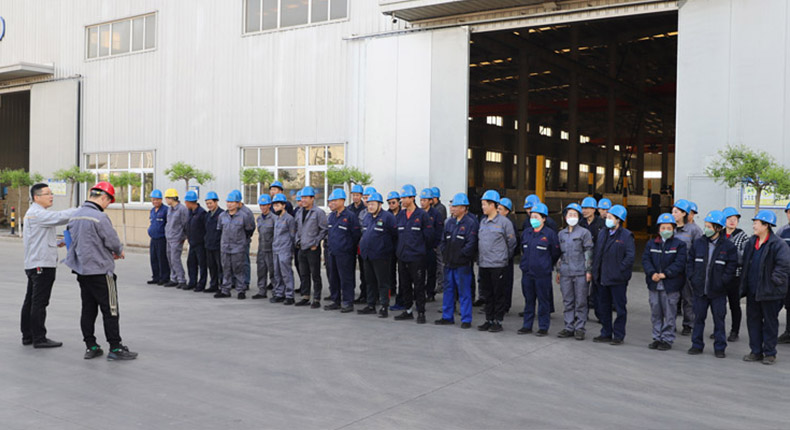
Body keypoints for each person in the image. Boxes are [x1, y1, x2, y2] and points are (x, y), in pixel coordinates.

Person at [64, 182, 137, 360]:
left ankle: (91, 346)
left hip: (82, 271)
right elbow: (111, 240)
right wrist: (119, 251)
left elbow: (70, 240)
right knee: (110, 310)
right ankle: (115, 348)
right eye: (108, 201)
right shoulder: (99, 217)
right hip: (101, 272)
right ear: (103, 197)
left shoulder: (75, 216)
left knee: (88, 310)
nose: (108, 205)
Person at [20, 183, 77, 348]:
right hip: (41, 264)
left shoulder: (35, 213)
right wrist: (83, 209)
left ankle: (28, 336)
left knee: (31, 300)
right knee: (39, 302)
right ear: (36, 197)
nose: (51, 196)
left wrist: (57, 242)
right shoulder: (38, 213)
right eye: (47, 194)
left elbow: (38, 238)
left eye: (51, 193)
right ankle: (39, 338)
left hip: (35, 262)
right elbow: (60, 216)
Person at [741, 210, 790, 365]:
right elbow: (745, 262)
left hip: (770, 292)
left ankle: (769, 353)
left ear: (766, 225)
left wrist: (773, 282)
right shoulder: (751, 243)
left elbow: (783, 266)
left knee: (770, 323)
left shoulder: (778, 244)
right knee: (753, 321)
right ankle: (755, 351)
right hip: (753, 291)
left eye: (756, 223)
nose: (754, 226)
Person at [687, 210, 738, 358]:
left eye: (709, 226)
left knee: (719, 320)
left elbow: (731, 267)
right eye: (706, 226)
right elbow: (690, 263)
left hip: (718, 292)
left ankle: (720, 347)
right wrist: (693, 278)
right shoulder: (698, 243)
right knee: (698, 319)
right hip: (700, 290)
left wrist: (722, 282)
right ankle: (696, 345)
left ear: (718, 228)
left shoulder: (728, 247)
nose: (706, 229)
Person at [642, 213, 687, 351]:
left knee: (669, 314)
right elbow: (646, 260)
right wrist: (652, 273)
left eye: (669, 228)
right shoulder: (651, 244)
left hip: (670, 285)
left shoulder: (679, 245)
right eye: (663, 228)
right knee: (655, 313)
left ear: (673, 229)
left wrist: (665, 274)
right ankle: (657, 337)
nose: (666, 230)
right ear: (658, 229)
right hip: (654, 284)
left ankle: (667, 339)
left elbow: (679, 263)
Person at [591, 205, 635, 345]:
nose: (607, 219)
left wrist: (619, 270)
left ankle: (619, 335)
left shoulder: (626, 235)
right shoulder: (603, 233)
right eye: (607, 217)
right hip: (602, 277)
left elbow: (630, 257)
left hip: (618, 279)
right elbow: (597, 253)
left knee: (620, 308)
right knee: (604, 307)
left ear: (618, 219)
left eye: (610, 217)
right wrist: (595, 271)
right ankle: (606, 332)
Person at [435, 193, 478, 329]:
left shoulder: (470, 224)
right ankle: (447, 316)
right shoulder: (449, 223)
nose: (452, 209)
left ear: (464, 208)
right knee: (448, 290)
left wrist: (461, 256)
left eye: (455, 206)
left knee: (464, 292)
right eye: (452, 206)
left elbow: (471, 244)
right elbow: (443, 241)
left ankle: (466, 319)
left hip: (462, 265)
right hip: (449, 263)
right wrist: (446, 254)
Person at [477, 190, 517, 333]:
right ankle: (488, 319)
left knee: (498, 294)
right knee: (487, 294)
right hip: (484, 264)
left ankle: (498, 321)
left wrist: (503, 257)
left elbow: (511, 242)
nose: (482, 207)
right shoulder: (483, 222)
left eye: (484, 204)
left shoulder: (504, 223)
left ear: (492, 205)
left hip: (498, 265)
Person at [393, 184, 434, 324]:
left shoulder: (422, 215)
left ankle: (421, 312)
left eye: (405, 198)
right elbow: (396, 236)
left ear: (412, 198)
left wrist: (420, 250)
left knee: (419, 286)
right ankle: (408, 310)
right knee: (404, 285)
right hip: (402, 256)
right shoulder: (401, 215)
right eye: (401, 198)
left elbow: (429, 237)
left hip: (417, 258)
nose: (402, 200)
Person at [518, 202, 559, 335]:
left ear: (544, 218)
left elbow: (555, 253)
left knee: (543, 301)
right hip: (527, 272)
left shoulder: (550, 234)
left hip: (542, 274)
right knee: (528, 300)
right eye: (532, 217)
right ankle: (527, 325)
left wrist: (546, 264)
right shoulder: (526, 233)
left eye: (536, 217)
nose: (533, 219)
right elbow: (522, 249)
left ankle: (543, 326)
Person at [556, 203, 593, 340]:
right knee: (567, 301)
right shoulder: (561, 234)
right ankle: (568, 327)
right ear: (565, 217)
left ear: (578, 217)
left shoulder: (584, 233)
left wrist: (588, 271)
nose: (572, 216)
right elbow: (560, 254)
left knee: (581, 301)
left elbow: (588, 252)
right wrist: (558, 271)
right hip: (565, 272)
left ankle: (580, 328)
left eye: (575, 214)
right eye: (569, 214)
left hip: (580, 272)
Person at [358, 192, 398, 317]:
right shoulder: (367, 217)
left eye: (373, 204)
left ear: (380, 204)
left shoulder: (387, 217)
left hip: (381, 256)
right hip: (367, 255)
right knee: (369, 281)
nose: (370, 207)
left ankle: (384, 306)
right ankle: (371, 305)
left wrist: (386, 248)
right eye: (369, 204)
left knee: (383, 282)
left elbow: (395, 235)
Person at [325, 189, 361, 313]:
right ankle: (335, 300)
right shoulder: (331, 216)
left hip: (345, 253)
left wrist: (348, 248)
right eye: (330, 201)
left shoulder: (350, 216)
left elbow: (356, 235)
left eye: (334, 201)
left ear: (342, 201)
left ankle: (347, 302)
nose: (331, 203)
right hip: (333, 252)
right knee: (333, 277)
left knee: (346, 278)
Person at [215, 190, 255, 299]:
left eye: (232, 202)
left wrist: (242, 242)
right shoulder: (222, 216)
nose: (229, 204)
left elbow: (249, 230)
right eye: (228, 202)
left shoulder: (244, 216)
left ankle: (241, 290)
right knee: (226, 269)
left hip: (238, 248)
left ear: (238, 203)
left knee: (239, 269)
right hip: (225, 247)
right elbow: (219, 229)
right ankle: (225, 290)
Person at [672, 199, 702, 336]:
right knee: (671, 298)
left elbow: (699, 251)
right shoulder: (670, 227)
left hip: (687, 269)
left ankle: (688, 324)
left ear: (684, 213)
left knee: (688, 298)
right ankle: (670, 323)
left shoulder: (694, 230)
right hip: (672, 270)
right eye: (673, 211)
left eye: (676, 212)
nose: (673, 214)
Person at [295, 186, 327, 307]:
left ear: (312, 198)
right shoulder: (299, 212)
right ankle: (305, 296)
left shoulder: (318, 212)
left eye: (305, 197)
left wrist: (316, 242)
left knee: (315, 274)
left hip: (313, 249)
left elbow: (324, 230)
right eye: (302, 197)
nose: (303, 200)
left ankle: (317, 299)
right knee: (304, 274)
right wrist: (297, 241)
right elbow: (297, 229)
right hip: (302, 247)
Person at [722, 206, 748, 341]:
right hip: (720, 275)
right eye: (729, 219)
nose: (732, 221)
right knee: (719, 305)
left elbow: (744, 256)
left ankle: (734, 331)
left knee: (734, 305)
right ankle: (719, 330)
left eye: (735, 219)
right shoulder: (719, 234)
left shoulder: (742, 236)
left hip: (735, 276)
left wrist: (729, 253)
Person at [579, 196, 605, 323]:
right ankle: (582, 314)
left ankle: (601, 315)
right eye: (583, 208)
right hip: (582, 260)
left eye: (587, 208)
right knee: (582, 289)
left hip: (597, 260)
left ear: (594, 209)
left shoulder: (601, 224)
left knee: (598, 289)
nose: (584, 211)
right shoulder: (580, 223)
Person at [268, 194, 296, 304]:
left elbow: (292, 235)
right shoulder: (276, 218)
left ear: (284, 205)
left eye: (278, 205)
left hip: (285, 249)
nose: (275, 208)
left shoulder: (289, 219)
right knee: (277, 273)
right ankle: (279, 293)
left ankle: (289, 295)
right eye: (274, 205)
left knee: (286, 273)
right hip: (276, 249)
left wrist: (290, 249)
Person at [420, 188, 444, 302]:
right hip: (420, 247)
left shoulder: (436, 214)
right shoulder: (419, 213)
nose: (422, 202)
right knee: (420, 272)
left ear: (430, 201)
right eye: (421, 200)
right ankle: (420, 292)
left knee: (431, 271)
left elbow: (439, 231)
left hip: (431, 247)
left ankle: (430, 293)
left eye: (425, 200)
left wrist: (435, 246)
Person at [497, 197, 519, 316]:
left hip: (506, 258)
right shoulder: (495, 222)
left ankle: (505, 305)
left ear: (507, 211)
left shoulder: (509, 224)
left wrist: (507, 255)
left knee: (506, 282)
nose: (498, 210)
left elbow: (514, 242)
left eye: (500, 209)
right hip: (496, 258)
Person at [163, 188, 188, 289]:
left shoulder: (182, 209)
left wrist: (183, 237)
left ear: (171, 198)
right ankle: (174, 278)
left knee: (175, 259)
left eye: (167, 198)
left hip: (177, 238)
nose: (166, 200)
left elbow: (185, 224)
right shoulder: (170, 209)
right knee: (170, 258)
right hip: (169, 237)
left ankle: (181, 279)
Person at [184, 190, 207, 291]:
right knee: (191, 263)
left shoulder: (202, 213)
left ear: (190, 202)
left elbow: (205, 229)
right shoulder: (190, 212)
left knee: (202, 264)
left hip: (200, 243)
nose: (185, 204)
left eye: (186, 202)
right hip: (192, 242)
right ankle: (192, 282)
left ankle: (201, 284)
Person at [253, 194, 275, 299]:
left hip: (271, 249)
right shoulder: (259, 219)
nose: (262, 207)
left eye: (264, 205)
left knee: (273, 272)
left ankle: (277, 292)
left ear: (269, 205)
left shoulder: (274, 218)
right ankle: (262, 291)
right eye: (261, 205)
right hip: (261, 248)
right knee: (261, 271)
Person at [146, 189, 170, 286]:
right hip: (153, 238)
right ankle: (155, 277)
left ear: (161, 200)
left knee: (162, 258)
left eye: (157, 199)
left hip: (162, 238)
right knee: (153, 258)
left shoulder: (166, 210)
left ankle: (164, 277)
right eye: (153, 200)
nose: (155, 201)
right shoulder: (152, 210)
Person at [203, 192, 223, 294]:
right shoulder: (207, 215)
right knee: (211, 266)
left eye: (210, 203)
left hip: (218, 245)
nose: (209, 205)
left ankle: (222, 286)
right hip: (209, 244)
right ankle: (213, 285)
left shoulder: (222, 214)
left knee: (220, 267)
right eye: (207, 203)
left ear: (216, 202)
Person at [386, 191, 404, 311]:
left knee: (402, 272)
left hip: (401, 246)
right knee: (390, 269)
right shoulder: (387, 215)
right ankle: (391, 288)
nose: (391, 205)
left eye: (393, 202)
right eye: (389, 203)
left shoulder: (403, 214)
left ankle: (402, 293)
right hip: (390, 246)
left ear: (398, 202)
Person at [776, 203, 790, 343]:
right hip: (785, 275)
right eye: (789, 212)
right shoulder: (782, 231)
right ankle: (788, 332)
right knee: (784, 303)